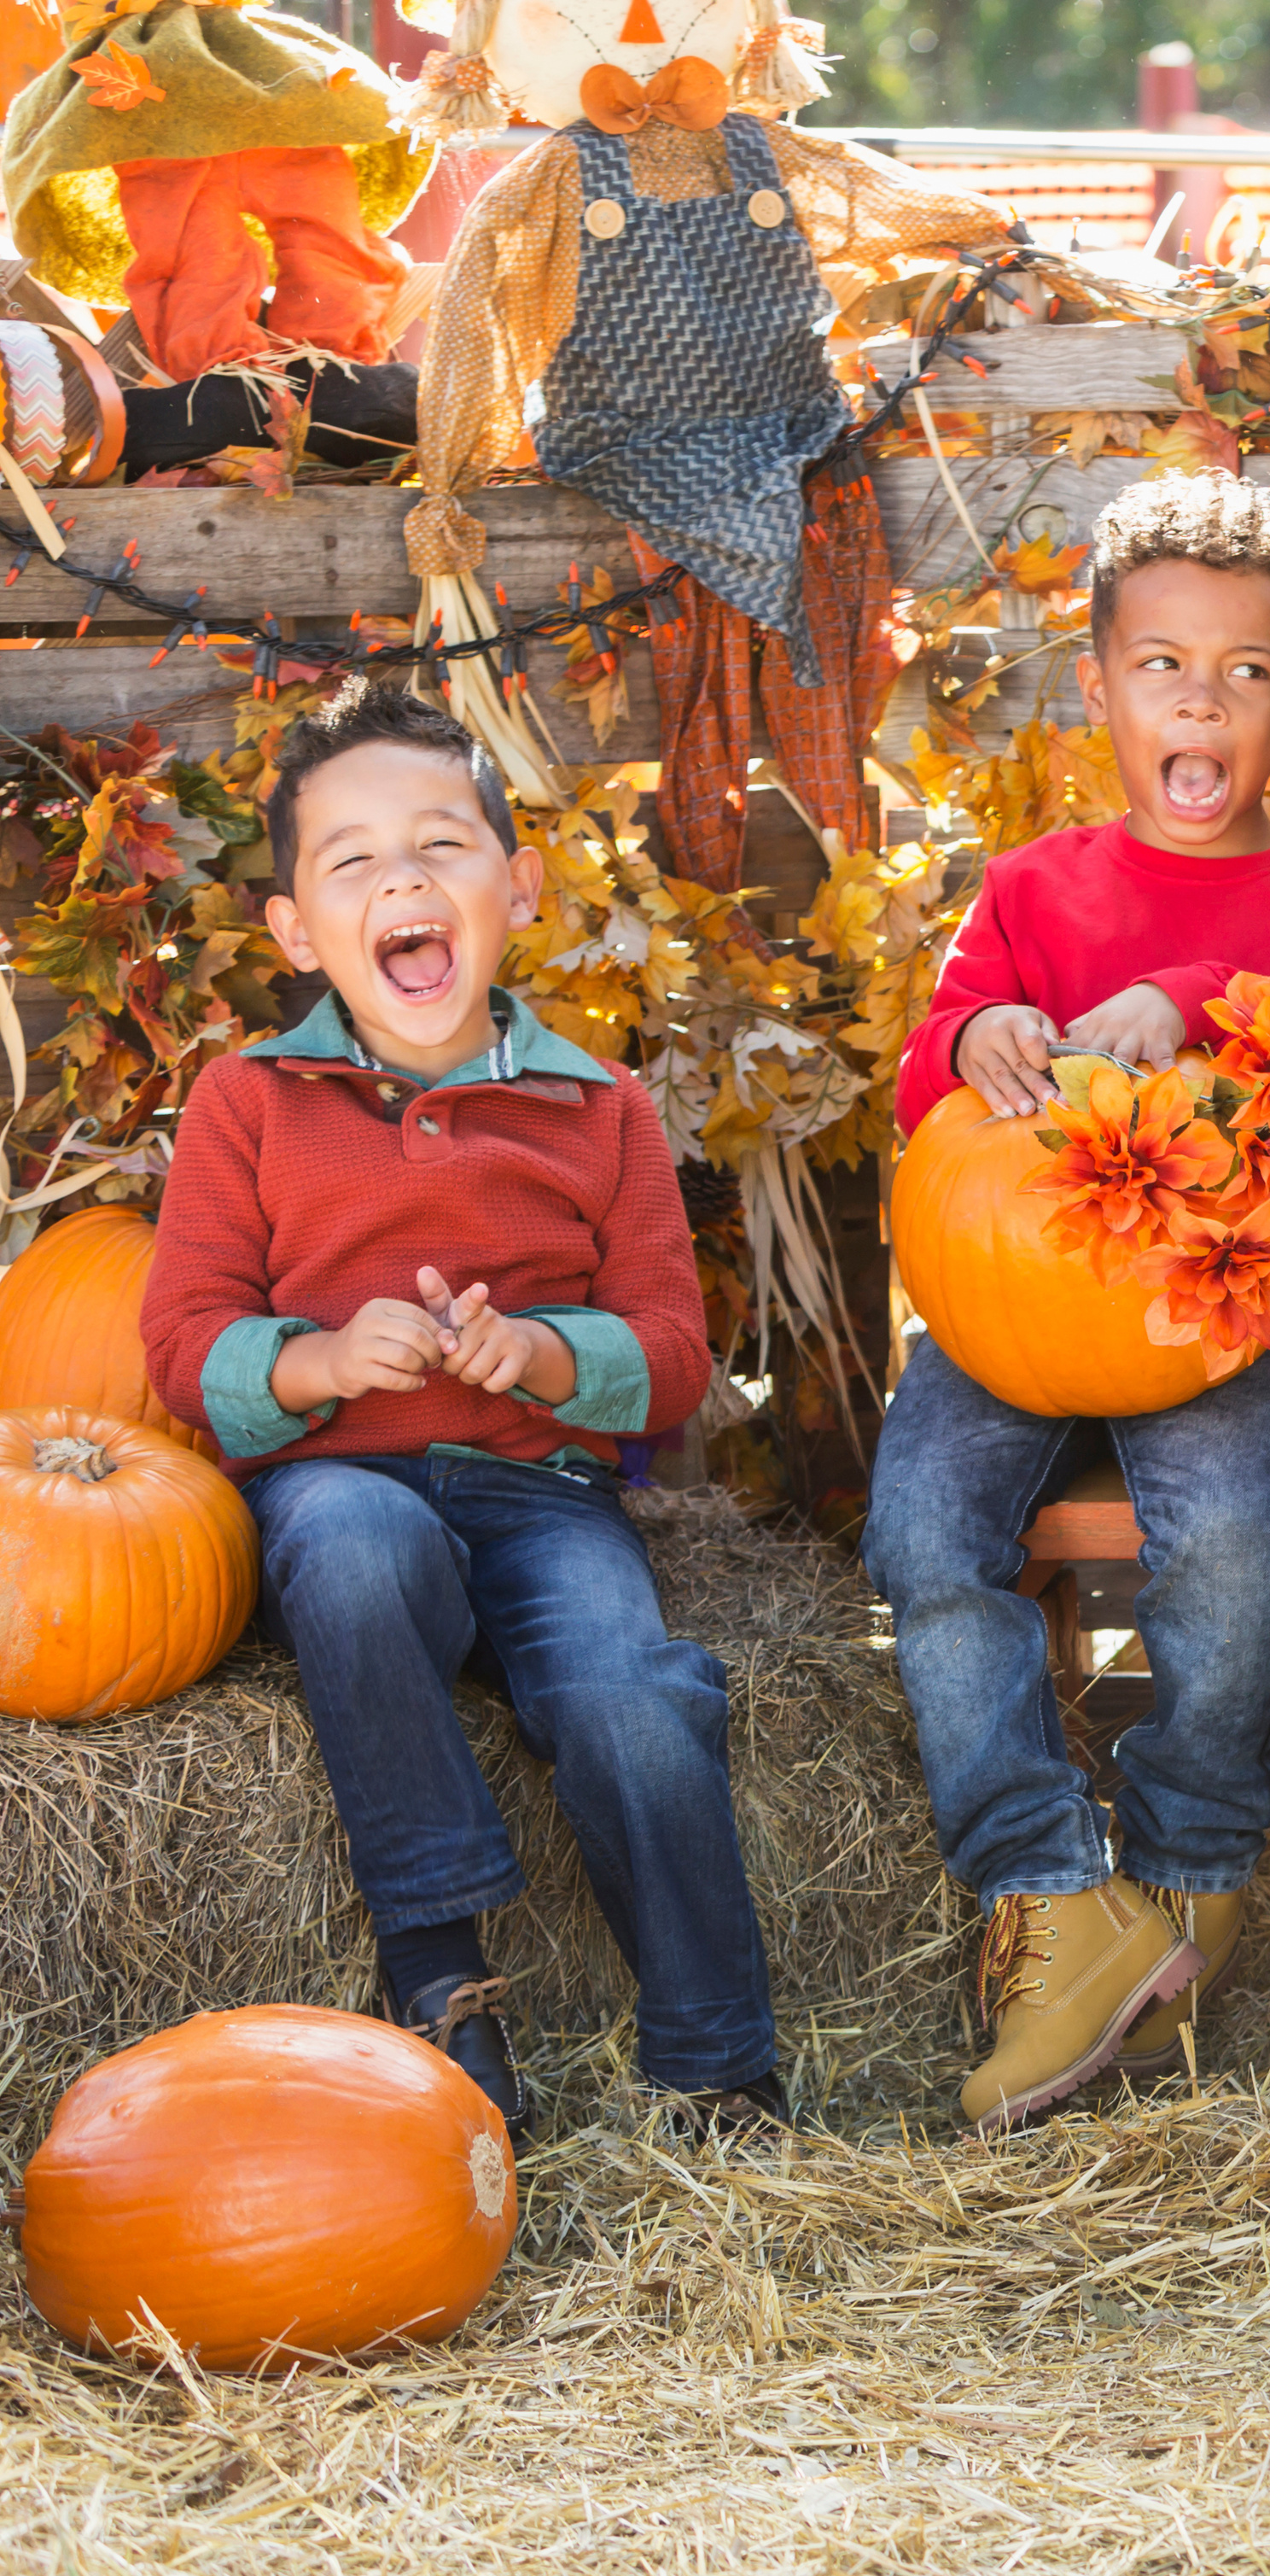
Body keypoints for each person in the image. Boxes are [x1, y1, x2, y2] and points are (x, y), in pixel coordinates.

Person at [139, 679, 778, 2139]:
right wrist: (311, 1363)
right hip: (338, 1485)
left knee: (635, 1698)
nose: (403, 880)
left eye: (440, 845)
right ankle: (445, 1981)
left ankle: (720, 2059)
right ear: (299, 931)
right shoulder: (247, 1102)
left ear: (519, 888)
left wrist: (548, 1359)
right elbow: (180, 1341)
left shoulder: (599, 1107)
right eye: (351, 861)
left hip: (540, 1497)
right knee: (357, 1553)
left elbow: (674, 1352)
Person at [862, 470, 1270, 2136]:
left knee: (1235, 1540)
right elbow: (918, 1079)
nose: (1201, 699)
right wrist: (975, 1046)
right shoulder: (1029, 888)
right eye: (1162, 664)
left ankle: (1189, 1865)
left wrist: (1190, 1001)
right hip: (1016, 1307)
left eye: (1244, 672)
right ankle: (1050, 1888)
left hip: (1222, 1310)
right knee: (924, 1534)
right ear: (1099, 687)